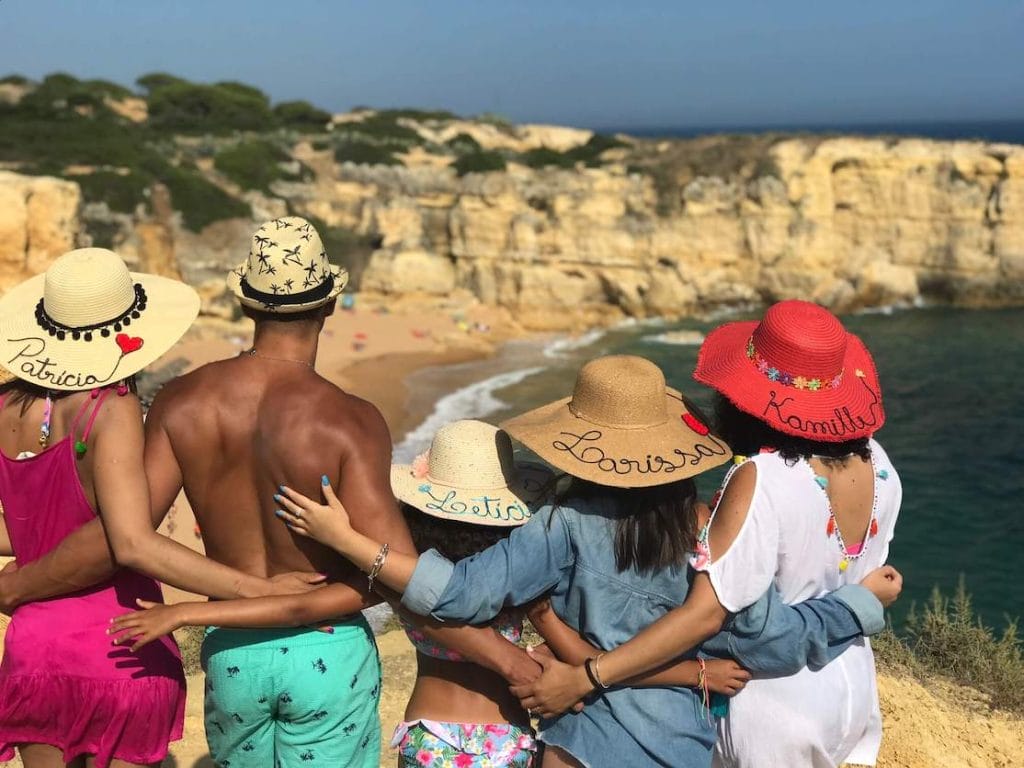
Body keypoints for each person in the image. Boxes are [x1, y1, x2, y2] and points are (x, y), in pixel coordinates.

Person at [274, 355, 901, 768]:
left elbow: (456, 595)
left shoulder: (562, 525)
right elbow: (771, 644)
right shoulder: (710, 528)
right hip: (679, 747)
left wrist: (356, 543)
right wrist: (858, 604)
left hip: (582, 747)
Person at [88, 218, 540, 768]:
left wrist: (243, 594)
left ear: (246, 307)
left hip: (233, 648)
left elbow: (134, 540)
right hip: (327, 648)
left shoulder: (180, 402)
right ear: (329, 305)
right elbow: (392, 575)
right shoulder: (349, 421)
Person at [514, 300, 902, 768]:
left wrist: (587, 676)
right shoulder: (878, 462)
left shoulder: (761, 476)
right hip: (850, 685)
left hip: (769, 701)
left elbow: (704, 615)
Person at [0, 248, 200, 767]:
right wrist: (250, 590)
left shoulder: (3, 408)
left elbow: (27, 521)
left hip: (34, 650)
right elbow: (131, 542)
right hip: (121, 647)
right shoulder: (110, 407)